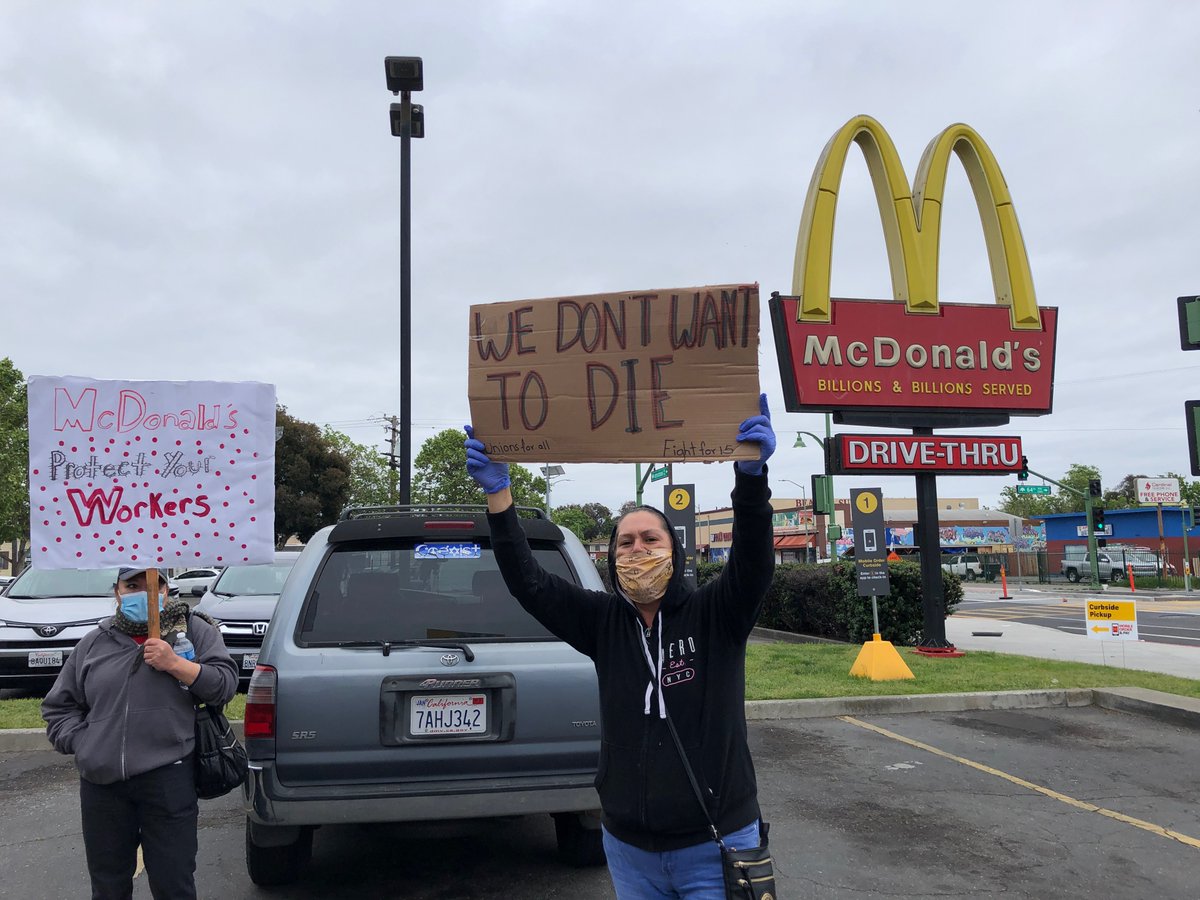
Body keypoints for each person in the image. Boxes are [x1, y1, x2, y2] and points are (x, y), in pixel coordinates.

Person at [465, 394, 777, 899]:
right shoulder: (603, 622)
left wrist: (751, 478)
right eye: (625, 543)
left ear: (675, 552)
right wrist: (500, 498)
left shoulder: (716, 614)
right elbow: (530, 584)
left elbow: (754, 562)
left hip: (714, 848)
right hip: (630, 854)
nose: (637, 550)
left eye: (650, 540)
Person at [42, 566, 238, 900]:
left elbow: (224, 686)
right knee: (108, 886)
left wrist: (175, 663)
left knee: (173, 884)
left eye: (151, 584)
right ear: (117, 592)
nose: (142, 592)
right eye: (131, 585)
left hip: (168, 779)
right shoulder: (94, 643)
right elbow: (59, 708)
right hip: (103, 786)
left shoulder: (193, 630)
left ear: (165, 590)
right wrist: (85, 743)